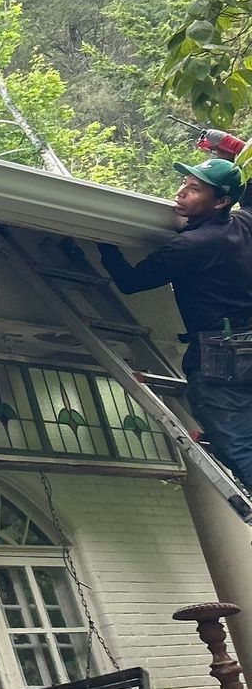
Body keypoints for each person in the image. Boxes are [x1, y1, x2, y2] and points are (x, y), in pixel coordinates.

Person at [97, 156, 252, 482]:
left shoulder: (192, 245)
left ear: (221, 201)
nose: (181, 191)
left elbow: (130, 282)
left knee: (225, 424)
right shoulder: (244, 224)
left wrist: (102, 239)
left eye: (194, 189)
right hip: (246, 339)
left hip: (223, 347)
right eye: (184, 183)